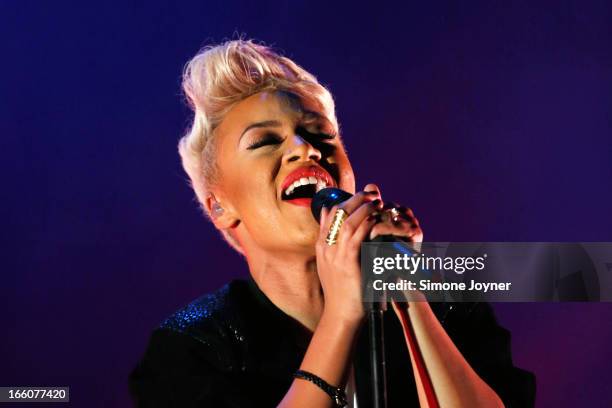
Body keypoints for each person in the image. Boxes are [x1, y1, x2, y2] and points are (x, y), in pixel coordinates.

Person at [129, 39, 535, 407]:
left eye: (321, 134)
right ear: (219, 208)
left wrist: (404, 290)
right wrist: (341, 315)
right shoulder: (193, 346)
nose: (304, 149)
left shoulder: (449, 307)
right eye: (265, 141)